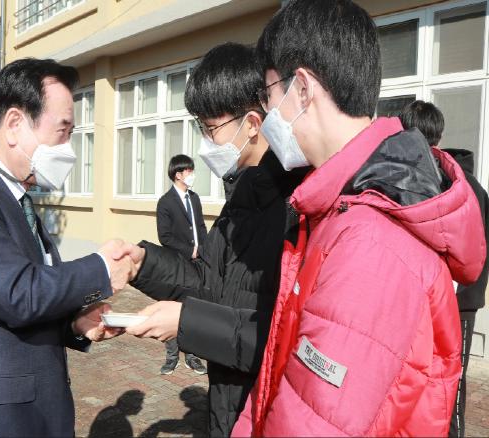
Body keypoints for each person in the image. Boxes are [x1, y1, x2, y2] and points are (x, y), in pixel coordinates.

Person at [227, 1, 486, 436]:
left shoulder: (370, 243)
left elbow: (315, 424)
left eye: (269, 95)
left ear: (302, 89)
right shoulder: (342, 205)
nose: (268, 114)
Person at [0, 58, 134, 437]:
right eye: (62, 131)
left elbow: (31, 296)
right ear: (15, 124)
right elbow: (17, 293)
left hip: (41, 411)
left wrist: (75, 324)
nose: (68, 147)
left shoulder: (19, 197)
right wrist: (101, 268)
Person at [125, 42, 309, 436]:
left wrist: (188, 322)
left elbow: (282, 338)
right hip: (229, 404)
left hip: (265, 413)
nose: (205, 143)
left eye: (210, 129)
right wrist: (142, 264)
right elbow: (207, 281)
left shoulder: (297, 207)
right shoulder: (241, 198)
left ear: (253, 124)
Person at [399, 100, 489, 438]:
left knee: (447, 385)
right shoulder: (415, 177)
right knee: (433, 383)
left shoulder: (464, 185)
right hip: (436, 300)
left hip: (456, 302)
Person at [156, 154, 207, 375]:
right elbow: (165, 237)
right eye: (189, 171)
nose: (192, 174)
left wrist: (204, 250)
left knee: (193, 310)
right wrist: (190, 250)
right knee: (173, 309)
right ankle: (171, 357)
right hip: (176, 264)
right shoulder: (165, 202)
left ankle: (192, 356)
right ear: (178, 174)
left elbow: (201, 227)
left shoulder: (194, 198)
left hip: (198, 263)